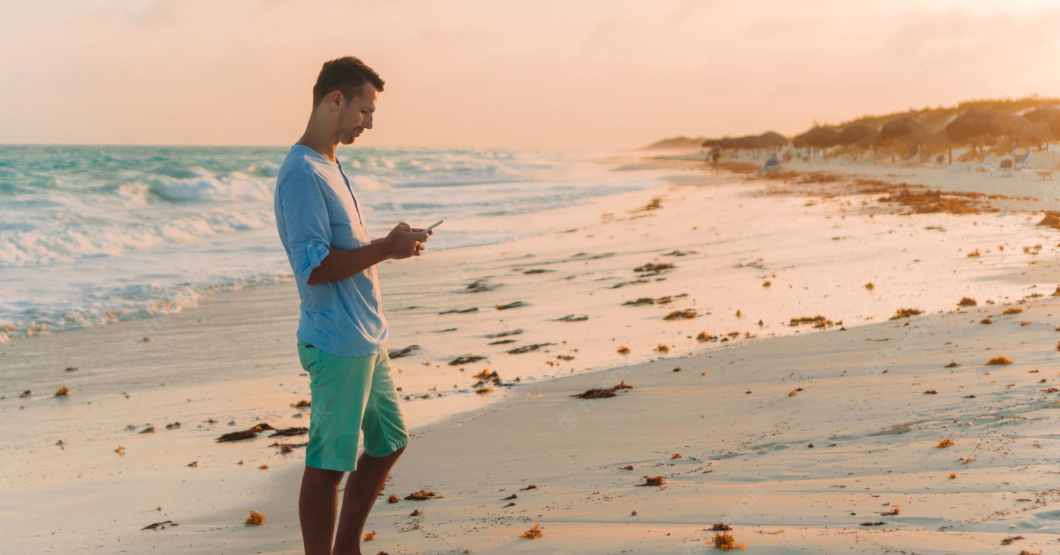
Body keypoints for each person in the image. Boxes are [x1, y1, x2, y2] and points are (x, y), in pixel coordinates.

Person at [273, 56, 429, 555]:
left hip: (367, 336)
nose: (369, 122)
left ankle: (346, 549)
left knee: (389, 442)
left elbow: (348, 249)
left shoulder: (331, 165)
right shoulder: (302, 174)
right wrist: (387, 247)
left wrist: (394, 243)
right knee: (329, 463)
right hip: (337, 341)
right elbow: (314, 267)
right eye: (364, 110)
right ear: (334, 100)